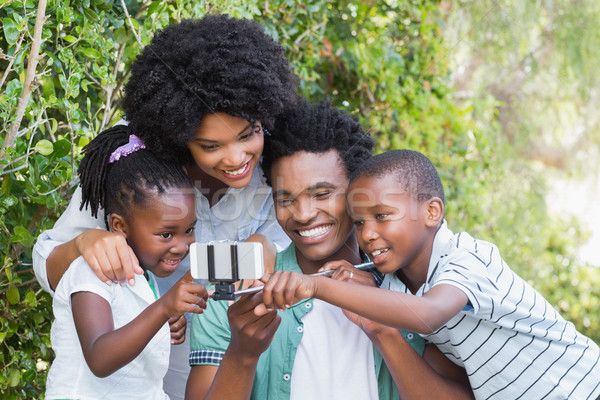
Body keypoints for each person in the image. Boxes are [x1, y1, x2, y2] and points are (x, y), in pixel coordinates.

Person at [33, 15, 297, 399]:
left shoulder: (279, 161)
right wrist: (84, 244)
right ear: (178, 136)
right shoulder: (136, 168)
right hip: (149, 377)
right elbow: (52, 269)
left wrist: (268, 245)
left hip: (249, 369)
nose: (237, 158)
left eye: (248, 135)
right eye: (211, 146)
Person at [258, 149, 600, 399]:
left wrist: (314, 286)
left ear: (432, 212)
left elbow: (427, 316)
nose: (367, 234)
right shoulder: (393, 283)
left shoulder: (467, 258)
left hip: (580, 389)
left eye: (382, 215)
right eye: (360, 222)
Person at [185, 101, 473, 399]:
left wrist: (384, 331)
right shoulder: (235, 296)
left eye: (322, 194)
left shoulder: (413, 287)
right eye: (285, 199)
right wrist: (242, 354)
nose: (303, 214)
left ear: (358, 190)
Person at [45, 126, 209, 399]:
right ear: (119, 226)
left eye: (189, 230)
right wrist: (163, 308)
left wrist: (162, 320)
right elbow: (100, 357)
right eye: (166, 234)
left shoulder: (145, 276)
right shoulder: (90, 272)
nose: (182, 246)